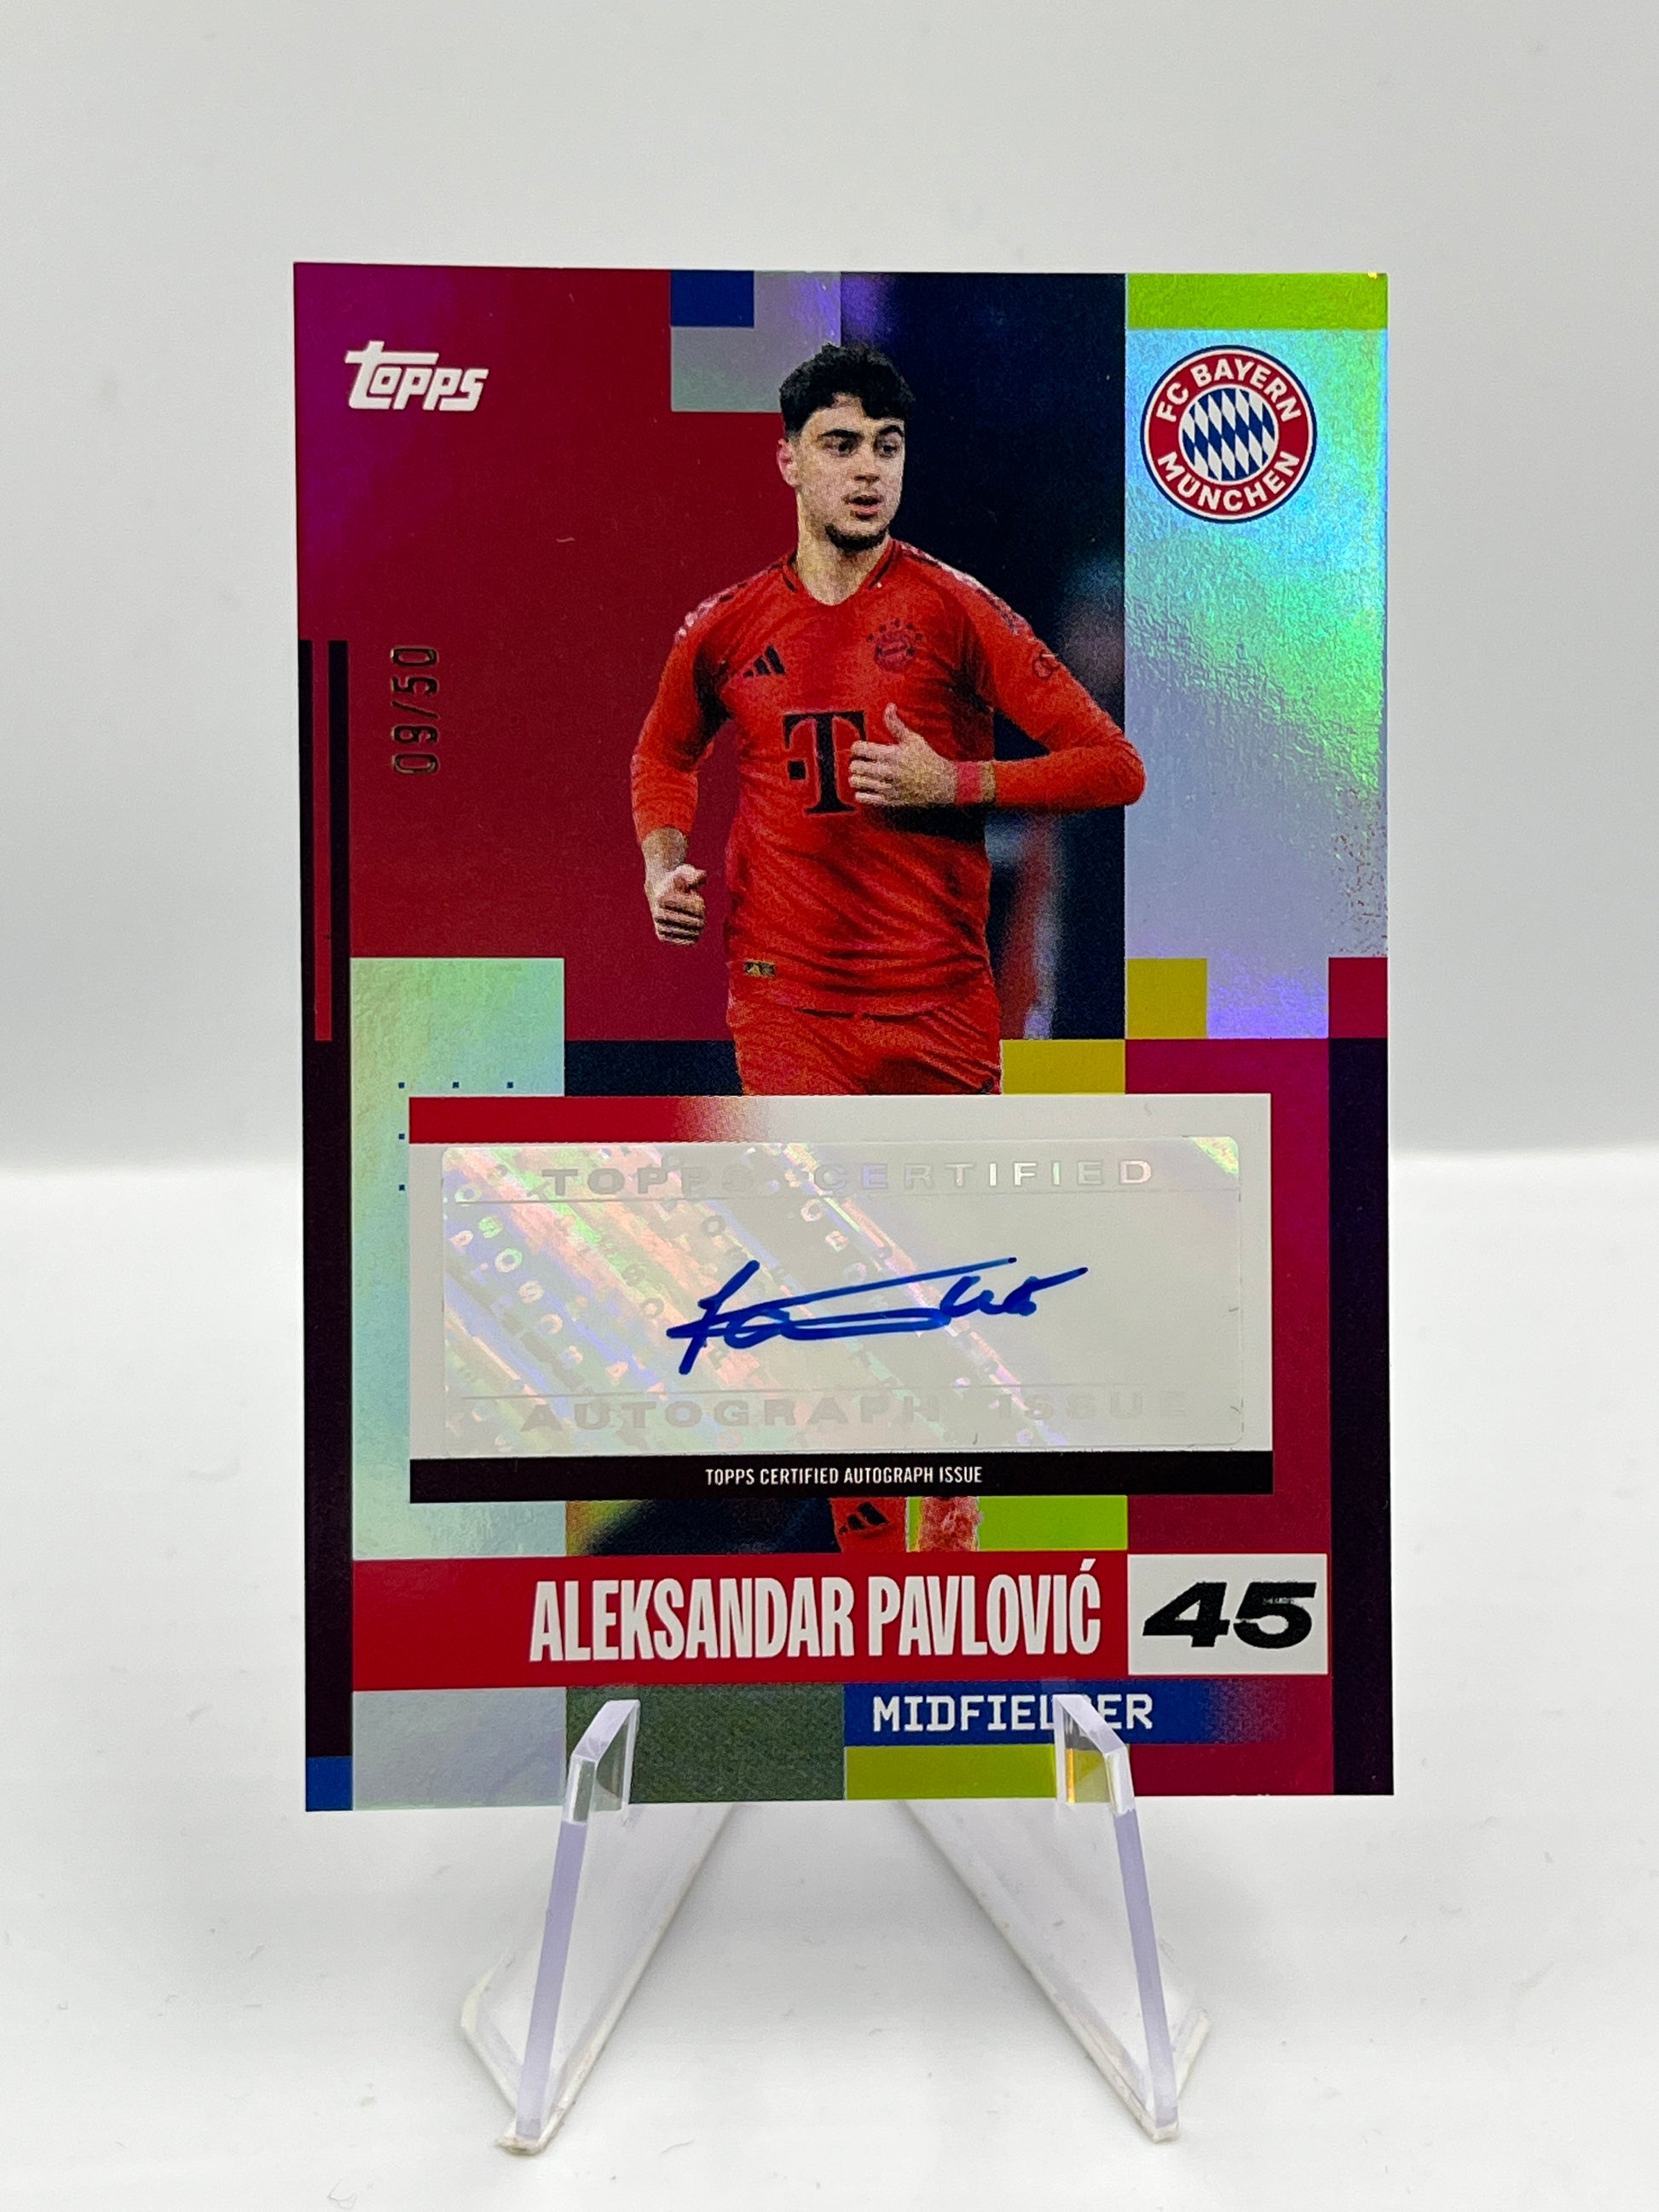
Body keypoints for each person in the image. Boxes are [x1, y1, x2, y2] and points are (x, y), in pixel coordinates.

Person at [630, 341, 1145, 1553]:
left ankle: (946, 1541)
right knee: (837, 1278)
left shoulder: (954, 610)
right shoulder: (725, 627)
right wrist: (662, 861)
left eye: (888, 448)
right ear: (789, 462)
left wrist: (952, 779)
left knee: (940, 1287)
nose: (867, 470)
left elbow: (1111, 764)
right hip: (790, 1004)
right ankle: (870, 1571)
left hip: (938, 1007)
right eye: (840, 446)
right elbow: (662, 752)